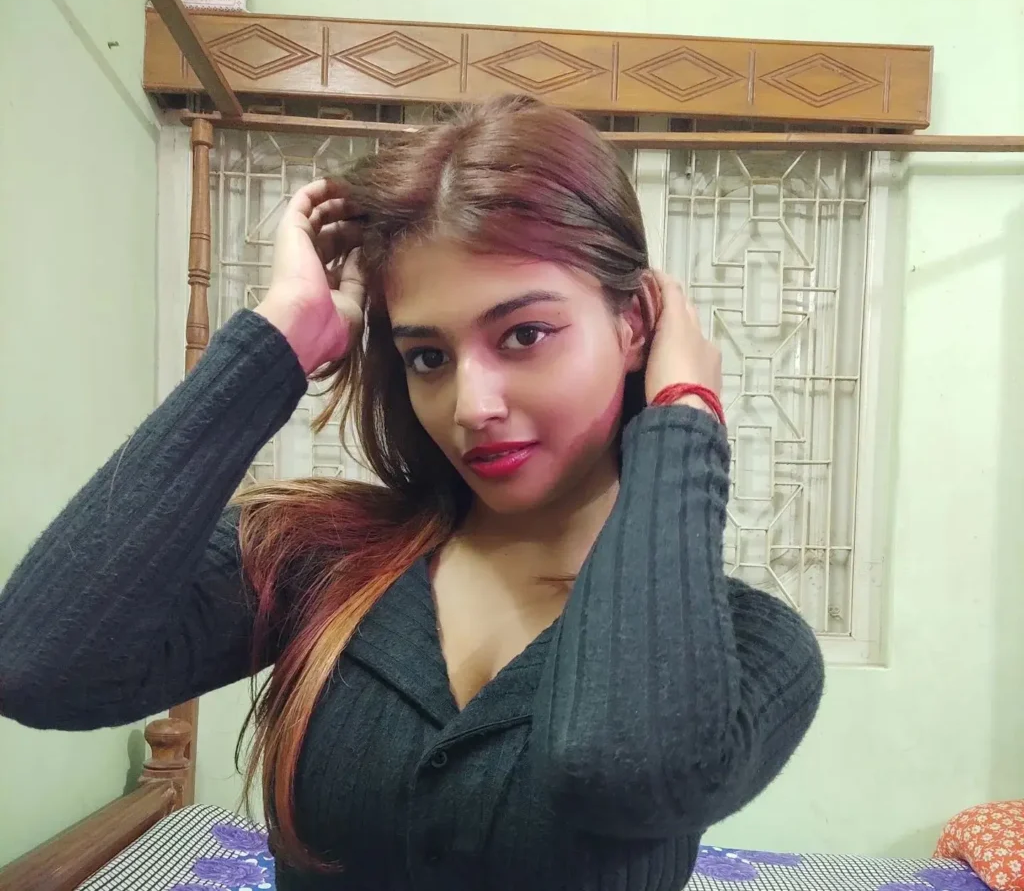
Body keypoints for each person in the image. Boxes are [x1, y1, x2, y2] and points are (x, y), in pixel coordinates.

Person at [0, 95, 825, 891]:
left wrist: (683, 419)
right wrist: (279, 338)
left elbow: (625, 769)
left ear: (635, 322)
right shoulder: (327, 557)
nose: (471, 406)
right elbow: (38, 664)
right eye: (428, 356)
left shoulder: (751, 644)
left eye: (525, 335)